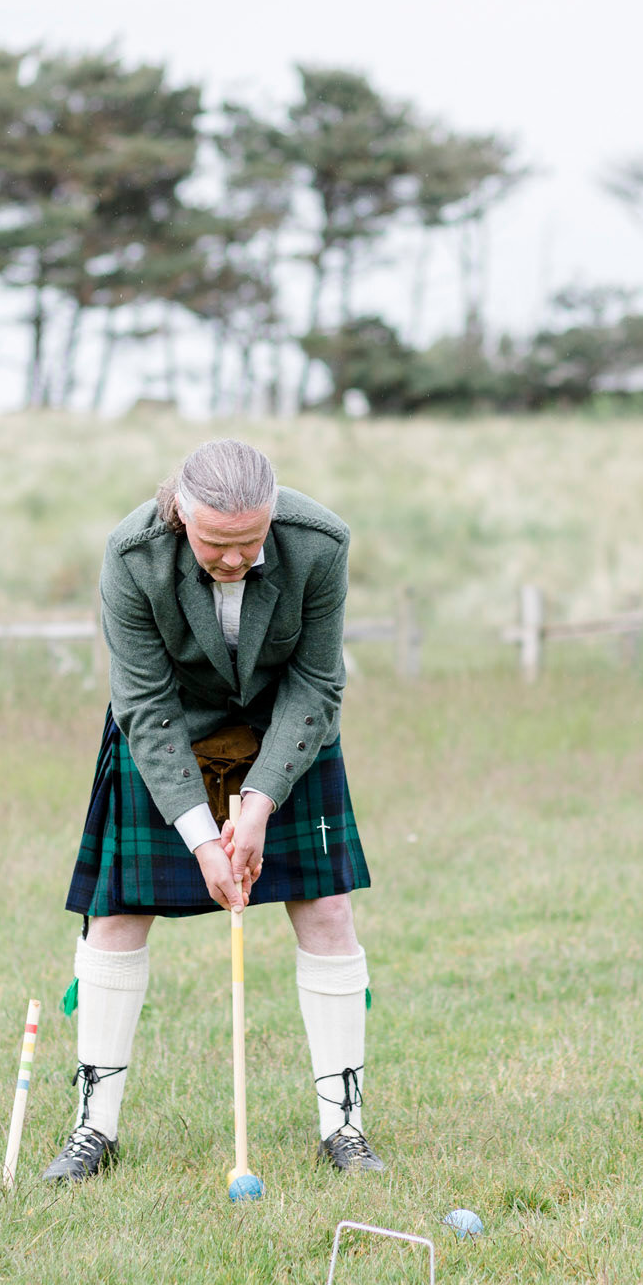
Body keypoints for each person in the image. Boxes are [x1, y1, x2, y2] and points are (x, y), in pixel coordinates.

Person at [48, 438, 378, 1182]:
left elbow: (317, 683)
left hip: (283, 731)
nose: (234, 561)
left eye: (249, 543)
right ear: (180, 514)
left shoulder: (319, 545)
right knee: (118, 913)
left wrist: (258, 804)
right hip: (172, 732)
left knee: (327, 909)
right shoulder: (132, 557)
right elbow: (143, 703)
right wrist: (202, 837)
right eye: (216, 545)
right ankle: (93, 1131)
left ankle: (345, 1129)